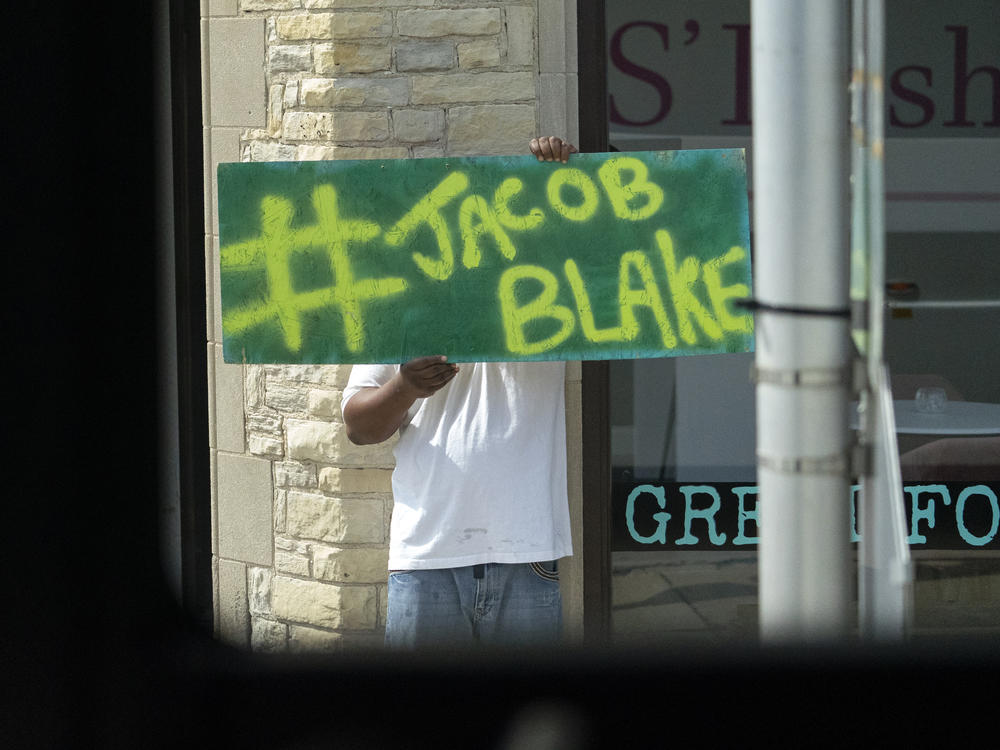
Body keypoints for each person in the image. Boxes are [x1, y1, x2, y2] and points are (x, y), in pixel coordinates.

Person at [341, 136, 579, 648]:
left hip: (525, 550)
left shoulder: (552, 294)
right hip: (427, 552)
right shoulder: (400, 311)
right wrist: (405, 386)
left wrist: (556, 179)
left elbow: (603, 242)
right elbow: (359, 427)